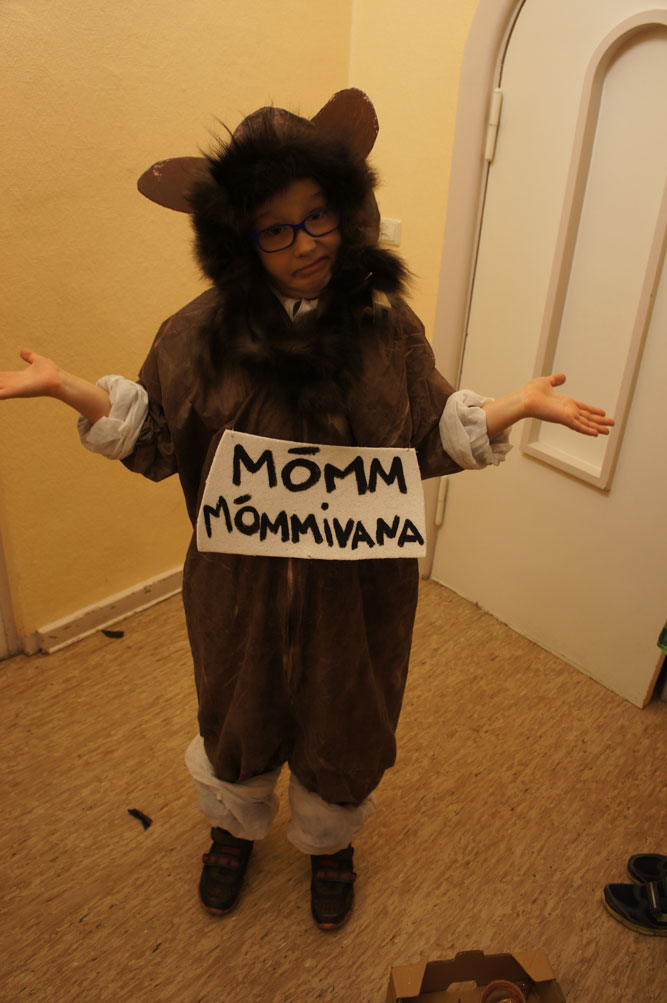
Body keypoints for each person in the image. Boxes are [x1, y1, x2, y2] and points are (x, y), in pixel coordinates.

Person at [0, 89, 614, 931]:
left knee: (348, 714)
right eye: (276, 229)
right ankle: (232, 828)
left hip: (359, 593)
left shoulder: (386, 331)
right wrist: (71, 388)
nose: (305, 244)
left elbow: (426, 433)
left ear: (346, 211)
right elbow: (157, 440)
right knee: (236, 708)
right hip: (237, 589)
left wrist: (515, 404)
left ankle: (330, 840)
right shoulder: (193, 335)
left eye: (318, 217)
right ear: (239, 240)